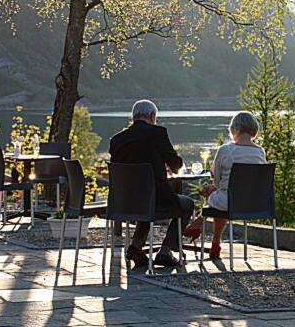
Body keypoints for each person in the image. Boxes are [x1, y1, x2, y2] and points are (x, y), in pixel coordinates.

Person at [109, 99, 194, 267]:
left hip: (123, 202)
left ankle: (136, 246)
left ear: (133, 117)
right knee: (187, 204)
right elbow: (176, 165)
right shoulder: (157, 133)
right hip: (154, 199)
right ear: (153, 116)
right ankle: (165, 251)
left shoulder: (116, 140)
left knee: (146, 197)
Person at [200, 111, 266, 259]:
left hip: (229, 202)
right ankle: (210, 238)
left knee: (216, 193)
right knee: (221, 193)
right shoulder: (260, 152)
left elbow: (216, 180)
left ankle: (211, 237)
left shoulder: (225, 150)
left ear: (234, 128)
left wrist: (215, 186)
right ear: (254, 130)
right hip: (255, 204)